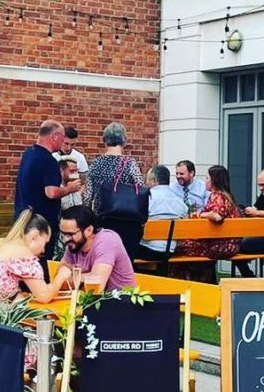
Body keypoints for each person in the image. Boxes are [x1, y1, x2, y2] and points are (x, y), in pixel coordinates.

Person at [0, 210, 72, 318]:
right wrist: (61, 275)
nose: (43, 250)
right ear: (35, 236)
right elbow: (44, 296)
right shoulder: (24, 254)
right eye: (44, 243)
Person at [14, 120, 82, 261]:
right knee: (41, 262)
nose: (63, 141)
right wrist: (71, 188)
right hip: (41, 223)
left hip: (22, 218)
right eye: (63, 137)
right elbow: (51, 193)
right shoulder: (48, 160)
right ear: (55, 136)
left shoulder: (28, 154)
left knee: (22, 260)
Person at [83, 122, 147, 258]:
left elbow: (87, 197)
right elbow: (140, 188)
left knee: (104, 259)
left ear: (105, 140)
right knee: (125, 263)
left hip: (104, 221)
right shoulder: (130, 163)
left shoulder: (95, 164)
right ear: (124, 140)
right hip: (129, 222)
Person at [175, 165, 241, 279]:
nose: (205, 181)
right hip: (228, 242)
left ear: (214, 181)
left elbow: (217, 216)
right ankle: (202, 279)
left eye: (207, 178)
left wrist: (202, 214)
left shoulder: (217, 196)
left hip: (222, 245)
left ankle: (183, 283)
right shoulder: (227, 196)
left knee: (177, 248)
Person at [59, 205, 137, 290]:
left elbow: (96, 287)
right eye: (63, 234)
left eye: (70, 234)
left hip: (121, 299)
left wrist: (72, 276)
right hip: (88, 299)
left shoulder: (107, 240)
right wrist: (87, 277)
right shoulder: (73, 245)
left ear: (89, 230)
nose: (65, 239)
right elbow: (58, 283)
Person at [139, 165, 189, 256]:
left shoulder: (147, 198)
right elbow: (186, 216)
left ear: (154, 181)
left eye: (147, 179)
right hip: (171, 250)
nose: (146, 182)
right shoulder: (178, 199)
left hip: (149, 249)